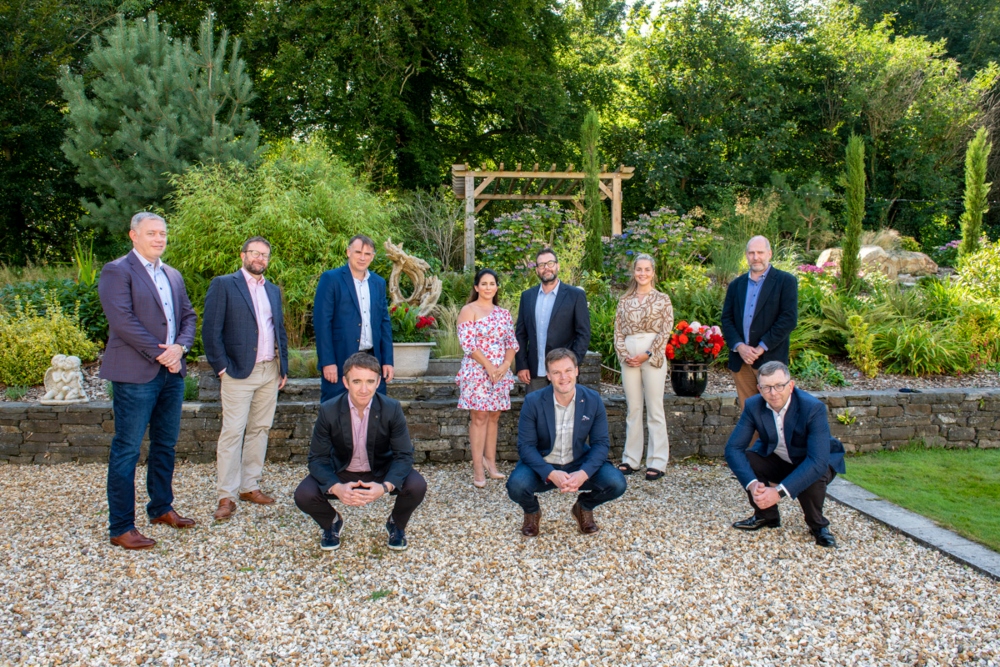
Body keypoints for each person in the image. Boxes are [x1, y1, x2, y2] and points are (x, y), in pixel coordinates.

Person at [98, 212, 198, 550]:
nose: (159, 238)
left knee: (165, 445)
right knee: (127, 450)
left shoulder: (173, 274)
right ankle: (121, 526)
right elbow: (122, 320)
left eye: (163, 233)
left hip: (171, 374)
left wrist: (181, 347)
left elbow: (188, 316)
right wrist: (163, 353)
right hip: (135, 373)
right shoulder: (117, 271)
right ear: (133, 235)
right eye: (152, 233)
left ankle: (160, 507)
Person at [294, 352, 427, 552]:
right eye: (357, 381)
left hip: (379, 469)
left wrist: (384, 487)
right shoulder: (329, 410)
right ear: (345, 382)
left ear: (378, 382)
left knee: (416, 485)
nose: (364, 389)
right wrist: (336, 487)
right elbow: (317, 459)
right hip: (342, 469)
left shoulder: (391, 409)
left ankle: (396, 525)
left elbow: (404, 455)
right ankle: (331, 522)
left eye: (369, 382)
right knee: (303, 494)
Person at [202, 236, 290, 522]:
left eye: (264, 255)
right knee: (232, 432)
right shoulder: (224, 284)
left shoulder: (273, 290)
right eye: (254, 253)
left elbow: (279, 330)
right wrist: (221, 368)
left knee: (260, 429)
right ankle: (225, 495)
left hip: (269, 371)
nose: (259, 259)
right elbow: (210, 330)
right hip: (238, 371)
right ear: (243, 255)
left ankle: (249, 486)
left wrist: (283, 367)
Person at [506, 348, 627, 537]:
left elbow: (601, 443)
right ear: (548, 375)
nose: (563, 377)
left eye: (568, 370)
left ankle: (583, 506)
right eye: (556, 372)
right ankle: (532, 512)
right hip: (543, 462)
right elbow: (526, 446)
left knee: (616, 483)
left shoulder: (592, 400)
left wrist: (583, 473)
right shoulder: (533, 401)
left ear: (576, 370)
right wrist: (550, 473)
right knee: (516, 486)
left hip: (578, 461)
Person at [724, 361, 845, 547]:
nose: (773, 393)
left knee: (814, 474)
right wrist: (753, 484)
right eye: (766, 387)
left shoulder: (813, 408)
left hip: (813, 461)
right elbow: (733, 449)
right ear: (759, 388)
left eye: (779, 386)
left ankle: (818, 526)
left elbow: (817, 461)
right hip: (781, 459)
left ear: (791, 385)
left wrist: (778, 492)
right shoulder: (753, 405)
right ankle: (766, 516)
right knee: (750, 459)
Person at [613, 253, 674, 481]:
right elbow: (618, 332)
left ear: (653, 272)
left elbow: (666, 329)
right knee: (634, 408)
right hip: (629, 354)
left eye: (647, 269)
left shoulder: (662, 299)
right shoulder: (624, 300)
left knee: (655, 407)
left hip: (652, 353)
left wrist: (648, 353)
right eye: (639, 269)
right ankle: (631, 458)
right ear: (634, 272)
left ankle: (657, 460)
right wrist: (625, 354)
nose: (643, 273)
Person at [456, 269, 519, 488]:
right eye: (484, 283)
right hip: (477, 370)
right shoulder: (468, 310)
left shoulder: (503, 313)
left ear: (497, 287)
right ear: (476, 287)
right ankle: (477, 468)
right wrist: (489, 366)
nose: (488, 287)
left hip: (499, 372)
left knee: (494, 416)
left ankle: (491, 463)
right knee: (480, 416)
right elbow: (468, 344)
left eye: (492, 283)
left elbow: (512, 343)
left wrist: (503, 366)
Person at [313, 235, 394, 403]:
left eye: (367, 253)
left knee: (373, 414)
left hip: (373, 359)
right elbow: (322, 324)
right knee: (335, 412)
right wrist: (327, 362)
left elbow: (384, 323)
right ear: (348, 252)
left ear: (373, 256)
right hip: (340, 359)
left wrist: (387, 361)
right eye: (358, 252)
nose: (362, 257)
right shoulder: (331, 279)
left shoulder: (378, 283)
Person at [720, 236, 798, 410]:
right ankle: (756, 440)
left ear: (769, 254)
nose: (756, 257)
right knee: (750, 414)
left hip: (771, 359)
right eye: (751, 253)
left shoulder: (785, 282)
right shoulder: (736, 285)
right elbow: (727, 319)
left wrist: (761, 347)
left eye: (760, 252)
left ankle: (776, 440)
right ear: (746, 256)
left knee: (776, 411)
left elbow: (788, 319)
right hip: (741, 361)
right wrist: (740, 346)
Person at [515, 248, 591, 394]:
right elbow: (521, 334)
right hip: (534, 372)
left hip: (563, 372)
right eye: (541, 265)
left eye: (550, 263)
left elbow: (583, 333)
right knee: (537, 414)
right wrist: (522, 365)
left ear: (557, 266)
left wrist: (573, 363)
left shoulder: (575, 295)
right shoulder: (527, 296)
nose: (546, 268)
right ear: (537, 270)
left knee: (566, 414)